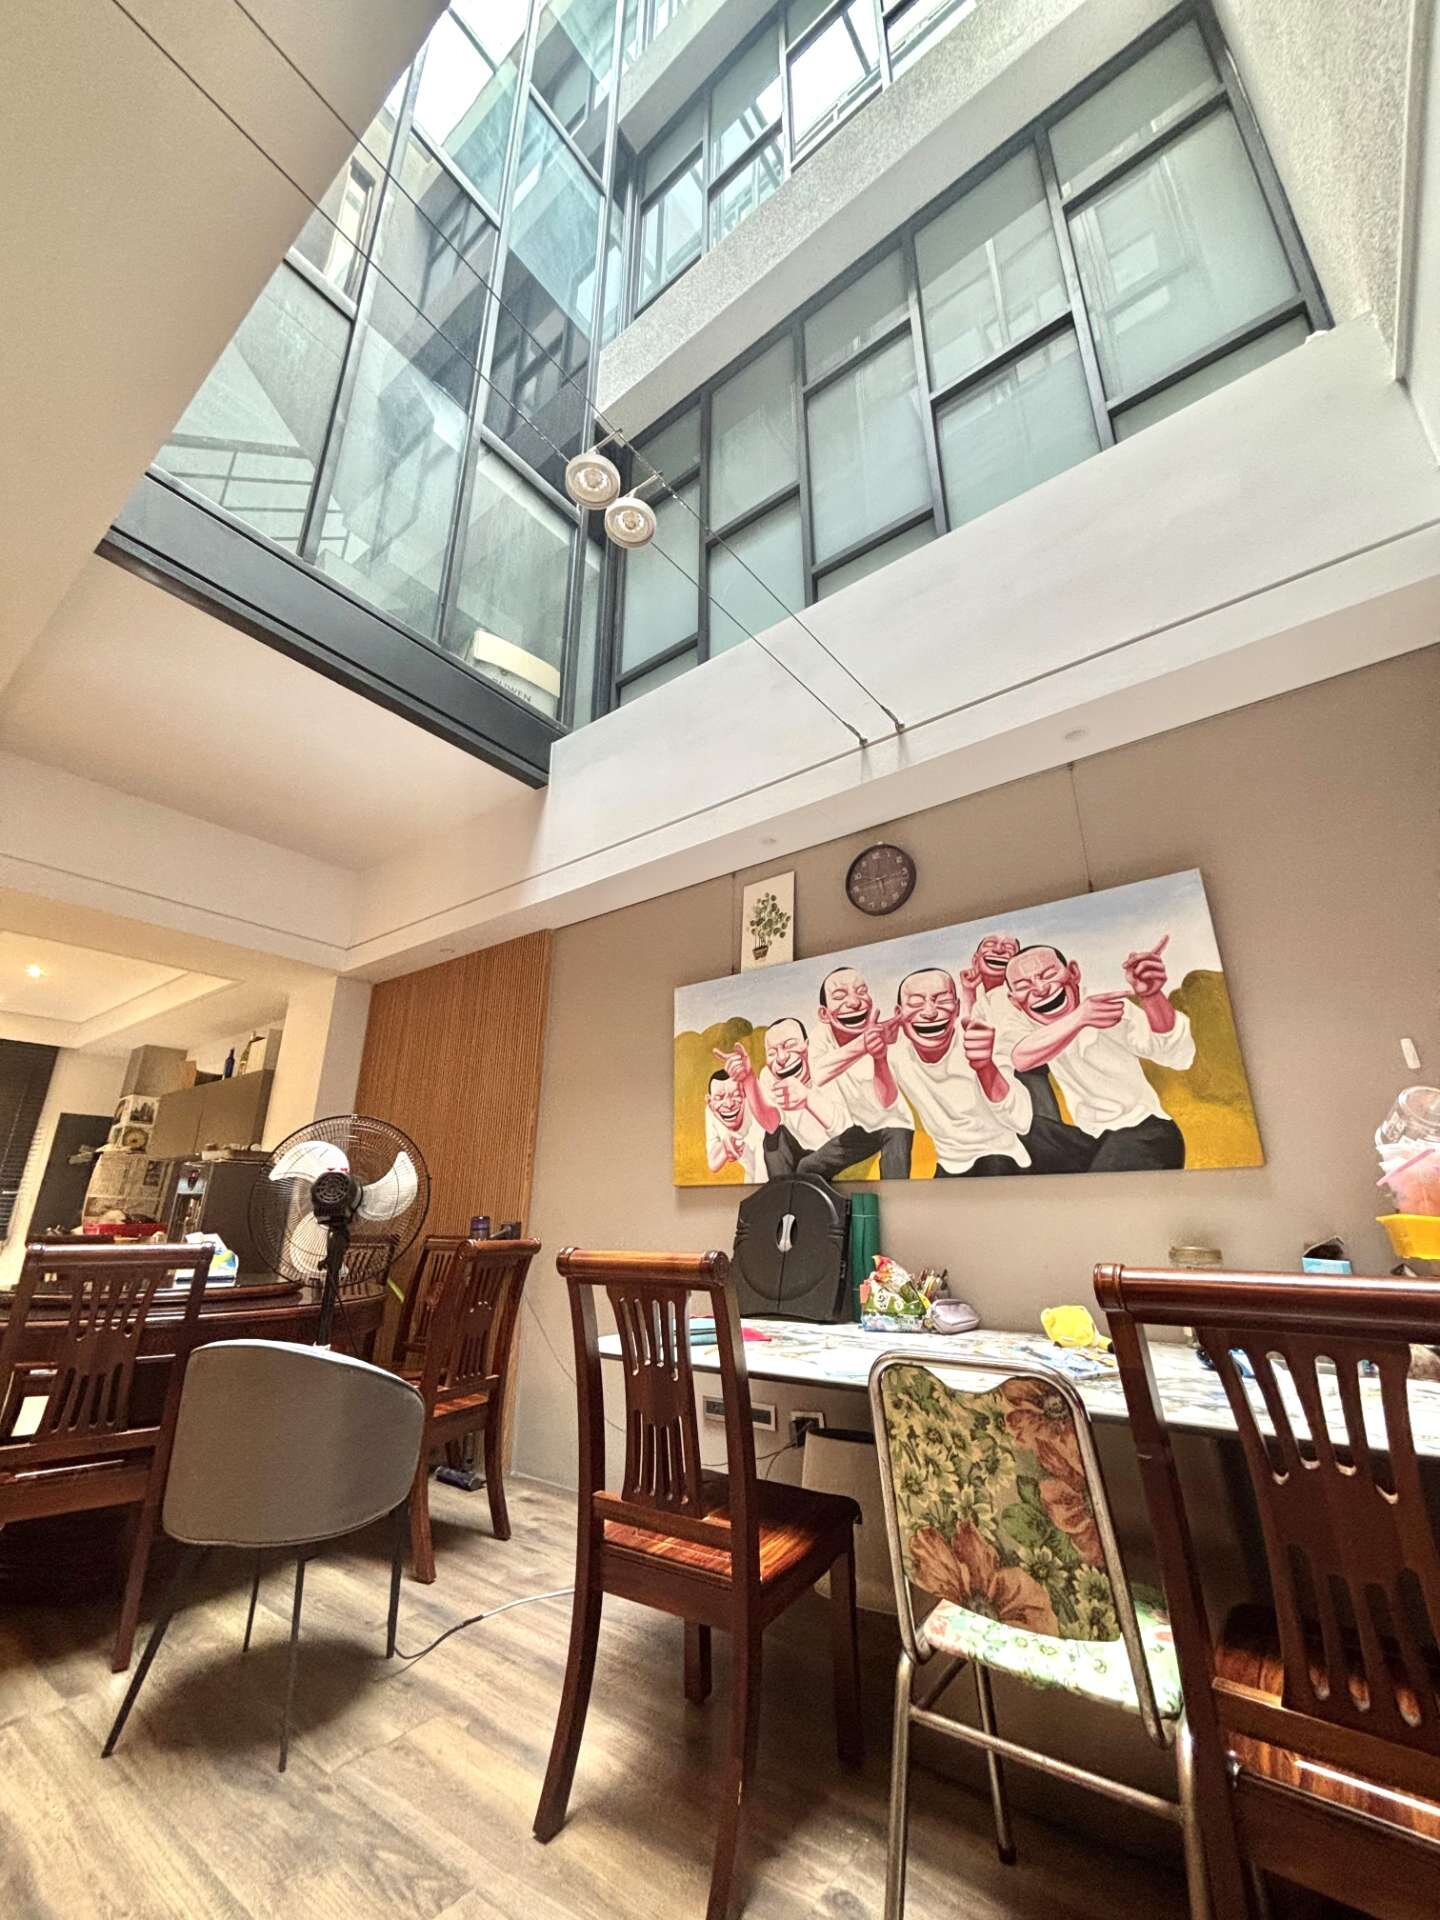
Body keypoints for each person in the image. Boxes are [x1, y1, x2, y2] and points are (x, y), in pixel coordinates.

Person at [1002, 936, 1195, 1171]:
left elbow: (1175, 1054)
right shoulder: (1023, 1023)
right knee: (1009, 1137)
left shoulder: (1106, 1005)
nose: (1041, 990)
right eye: (1024, 986)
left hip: (1144, 1130)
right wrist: (1080, 1018)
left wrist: (1152, 996)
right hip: (1090, 1140)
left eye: (1049, 975)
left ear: (1074, 972)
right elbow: (1020, 1058)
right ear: (1014, 1001)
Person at [863, 968, 1033, 1177]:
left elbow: (1022, 1121)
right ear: (899, 1013)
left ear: (957, 1008)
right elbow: (887, 1103)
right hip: (950, 1164)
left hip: (1002, 1157)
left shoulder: (980, 1039)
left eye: (942, 1000)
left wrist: (986, 1066)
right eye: (915, 1003)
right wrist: (879, 1059)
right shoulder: (898, 1056)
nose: (930, 1012)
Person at [804, 965, 915, 1178]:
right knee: (808, 1167)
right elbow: (819, 1074)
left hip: (895, 1122)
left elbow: (888, 1101)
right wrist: (864, 1044)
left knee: (895, 1183)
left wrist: (879, 1056)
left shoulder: (886, 1036)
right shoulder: (821, 1036)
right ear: (824, 1013)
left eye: (862, 992)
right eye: (840, 996)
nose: (854, 1002)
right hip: (863, 1128)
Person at [714, 1017, 848, 1179]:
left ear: (807, 1045)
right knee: (773, 1139)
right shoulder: (769, 1076)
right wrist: (748, 1078)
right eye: (772, 1053)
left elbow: (844, 1130)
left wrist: (807, 1098)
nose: (782, 1058)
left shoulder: (826, 1065)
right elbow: (771, 1124)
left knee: (807, 1166)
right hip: (799, 1148)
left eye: (790, 1046)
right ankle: (780, 1192)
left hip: (839, 1143)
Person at [961, 930, 1065, 1129]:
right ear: (975, 960)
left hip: (1029, 1067)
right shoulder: (983, 1002)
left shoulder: (1023, 992)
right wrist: (968, 990)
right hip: (998, 1071)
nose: (999, 950)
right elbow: (970, 1027)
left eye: (1008, 948)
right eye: (990, 945)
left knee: (1046, 1125)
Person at [703, 1068, 766, 1183]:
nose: (729, 1104)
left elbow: (762, 1161)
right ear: (709, 1102)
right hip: (751, 1173)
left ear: (745, 1095)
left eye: (736, 1095)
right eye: (719, 1098)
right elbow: (713, 1163)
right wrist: (726, 1146)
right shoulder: (711, 1112)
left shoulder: (755, 1108)